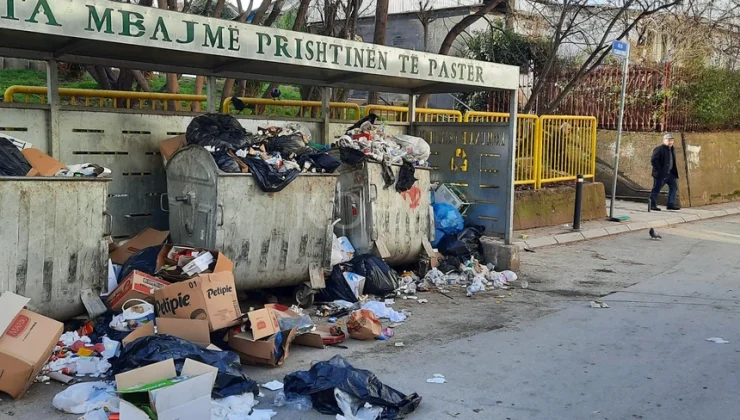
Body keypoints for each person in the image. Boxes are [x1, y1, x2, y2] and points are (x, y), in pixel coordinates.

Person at [650, 133, 680, 211]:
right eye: (668, 140)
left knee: (674, 187)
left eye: (671, 140)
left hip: (670, 173)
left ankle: (671, 204)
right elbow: (653, 160)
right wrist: (660, 170)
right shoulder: (659, 149)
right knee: (656, 188)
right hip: (661, 174)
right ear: (664, 140)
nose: (670, 142)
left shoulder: (672, 149)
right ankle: (652, 205)